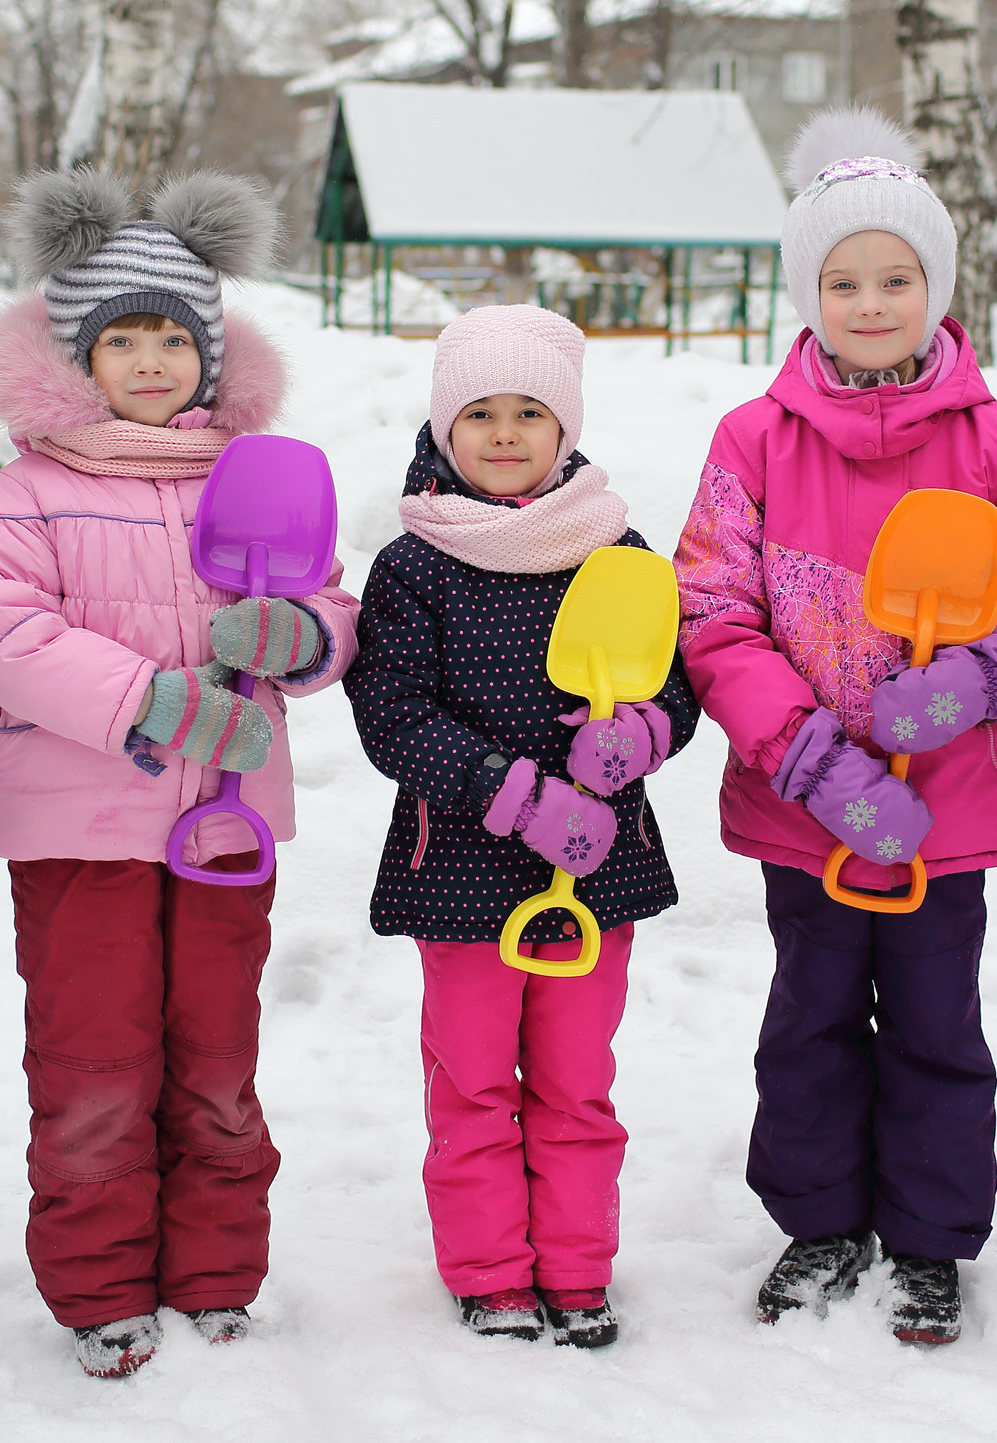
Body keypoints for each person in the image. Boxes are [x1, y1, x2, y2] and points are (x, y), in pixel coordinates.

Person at [673, 109, 997, 1345]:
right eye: (842, 280)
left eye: (895, 278)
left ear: (936, 288)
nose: (869, 301)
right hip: (809, 814)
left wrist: (986, 676)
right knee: (807, 1015)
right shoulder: (752, 440)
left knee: (932, 1020)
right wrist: (806, 755)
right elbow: (713, 610)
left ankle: (927, 1239)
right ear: (807, 293)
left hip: (943, 807)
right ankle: (815, 1220)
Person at [0, 167, 358, 1379]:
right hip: (83, 833)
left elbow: (329, 604)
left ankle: (215, 1268)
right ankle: (96, 1288)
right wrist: (156, 703)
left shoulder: (251, 480)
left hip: (225, 830)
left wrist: (299, 636)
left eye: (171, 338)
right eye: (119, 338)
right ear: (76, 355)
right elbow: (9, 640)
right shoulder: (29, 491)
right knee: (93, 1060)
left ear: (210, 352)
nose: (148, 361)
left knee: (217, 1056)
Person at [344, 304, 698, 1349]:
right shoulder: (414, 566)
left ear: (566, 427)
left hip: (595, 876)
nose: (504, 433)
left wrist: (633, 738)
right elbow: (392, 715)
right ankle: (494, 1273)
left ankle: (579, 1269)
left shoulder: (616, 553)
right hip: (458, 869)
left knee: (578, 1083)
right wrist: (514, 793)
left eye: (529, 412)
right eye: (480, 413)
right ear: (445, 430)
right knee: (473, 1080)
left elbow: (674, 687)